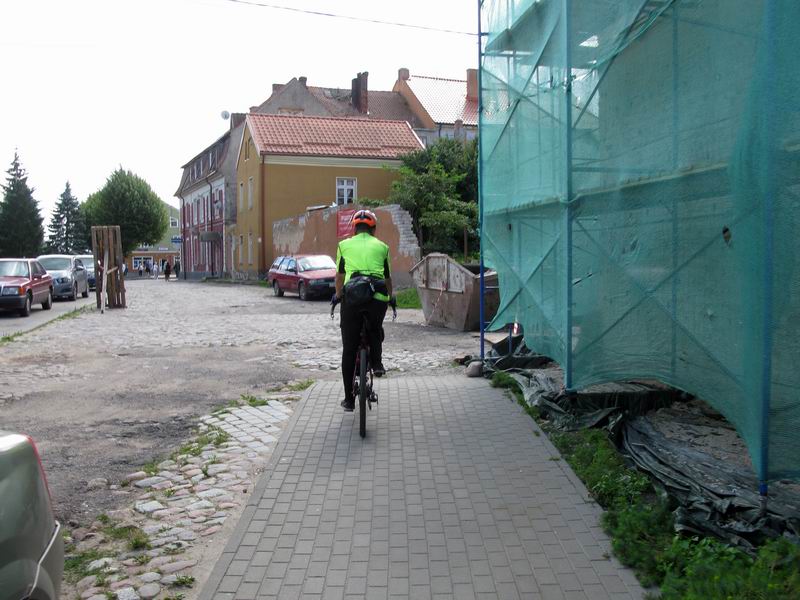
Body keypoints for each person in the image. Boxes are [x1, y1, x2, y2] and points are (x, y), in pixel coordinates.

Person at [333, 209, 392, 411]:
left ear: (354, 229)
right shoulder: (383, 247)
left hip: (352, 297)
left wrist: (339, 295)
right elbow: (387, 277)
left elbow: (339, 276)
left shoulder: (343, 245)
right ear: (373, 229)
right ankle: (377, 364)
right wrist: (391, 298)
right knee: (375, 327)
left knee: (349, 349)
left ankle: (349, 400)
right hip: (377, 296)